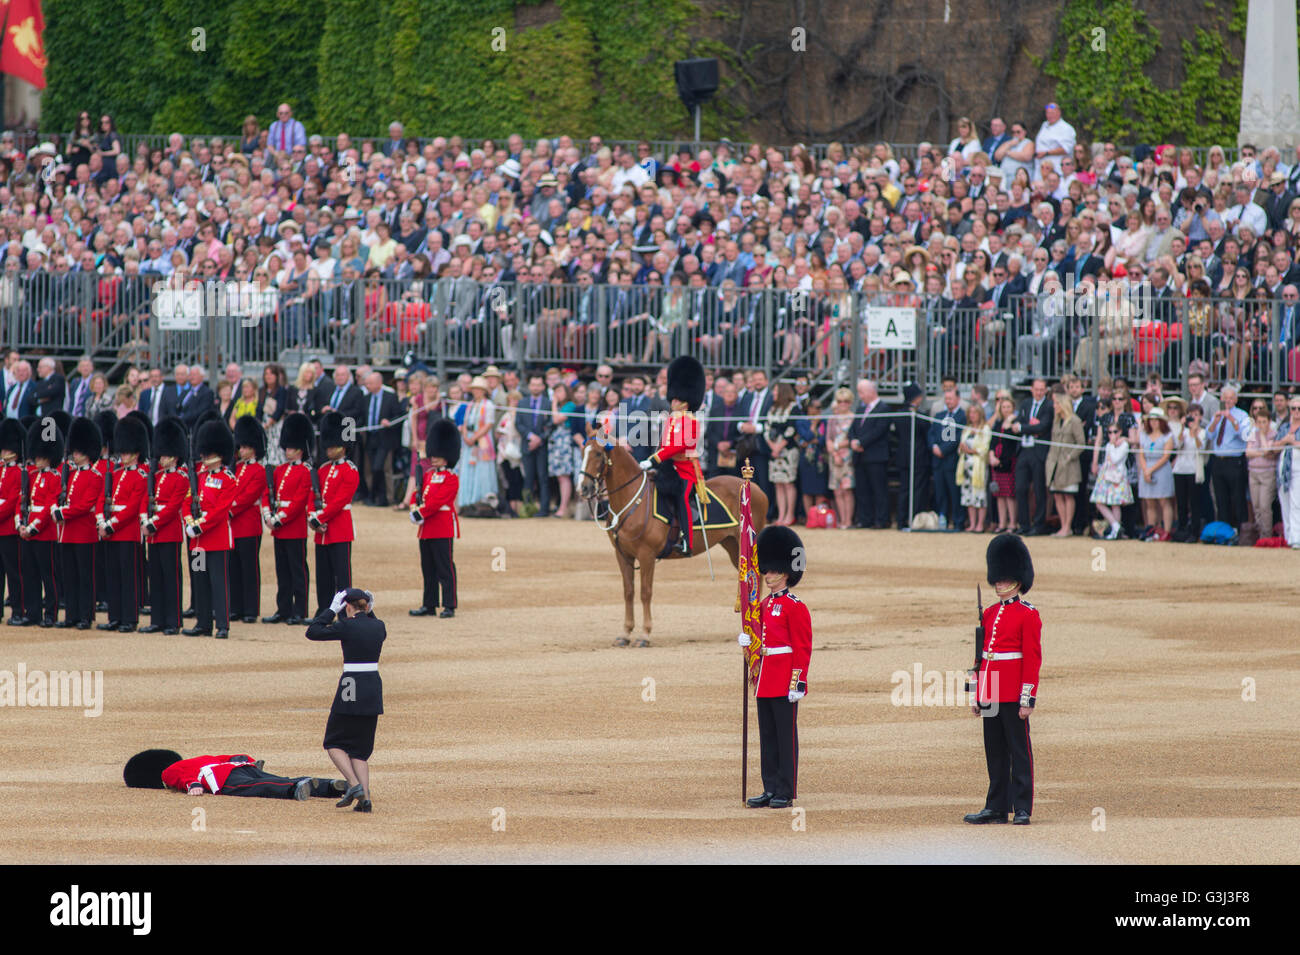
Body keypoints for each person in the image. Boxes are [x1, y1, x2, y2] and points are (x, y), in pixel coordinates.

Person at [964, 534, 1041, 826]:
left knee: (1019, 750)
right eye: (997, 577)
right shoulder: (990, 613)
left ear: (1018, 580)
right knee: (994, 750)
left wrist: (1027, 697)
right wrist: (976, 694)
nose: (999, 583)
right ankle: (996, 806)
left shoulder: (1028, 615)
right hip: (992, 689)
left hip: (1012, 690)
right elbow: (981, 658)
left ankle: (1022, 807)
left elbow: (1032, 660)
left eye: (1005, 578)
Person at [743, 524, 811, 810]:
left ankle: (786, 788)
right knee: (768, 737)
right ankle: (769, 787)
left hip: (784, 678)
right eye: (766, 571)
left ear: (785, 572)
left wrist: (798, 682)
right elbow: (760, 639)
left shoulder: (796, 607)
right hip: (766, 677)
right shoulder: (762, 604)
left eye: (772, 571)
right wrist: (748, 642)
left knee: (785, 737)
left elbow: (802, 648)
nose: (767, 575)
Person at [307, 587, 386, 813]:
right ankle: (366, 799)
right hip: (372, 688)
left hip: (350, 686)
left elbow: (313, 631)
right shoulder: (379, 626)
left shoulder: (347, 625)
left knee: (333, 741)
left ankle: (354, 785)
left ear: (347, 607)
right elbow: (371, 620)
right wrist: (369, 609)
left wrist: (331, 609)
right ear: (367, 606)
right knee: (360, 750)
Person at [640, 355, 705, 556]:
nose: (672, 401)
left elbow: (678, 446)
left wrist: (654, 459)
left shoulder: (692, 422)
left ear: (685, 403)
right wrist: (656, 462)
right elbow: (664, 444)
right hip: (667, 467)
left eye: (676, 399)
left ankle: (687, 541)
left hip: (685, 470)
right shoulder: (670, 420)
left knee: (682, 498)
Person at [182, 420, 237, 639]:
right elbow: (188, 501)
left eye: (209, 453)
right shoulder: (199, 476)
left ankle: (222, 625)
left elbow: (220, 511)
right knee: (200, 581)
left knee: (218, 582)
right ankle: (203, 623)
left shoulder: (228, 479)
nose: (204, 458)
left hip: (217, 539)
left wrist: (199, 526)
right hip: (198, 541)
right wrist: (189, 521)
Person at [123, 749, 344, 801]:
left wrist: (191, 785)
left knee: (259, 787)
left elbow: (177, 778)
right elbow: (223, 756)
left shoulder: (169, 771)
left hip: (221, 779)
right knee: (278, 777)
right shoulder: (199, 758)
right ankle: (329, 786)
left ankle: (293, 790)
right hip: (237, 765)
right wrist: (245, 759)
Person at [97, 415, 149, 632]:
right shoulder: (115, 474)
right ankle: (115, 617)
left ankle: (129, 618)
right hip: (110, 531)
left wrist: (111, 524)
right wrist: (101, 520)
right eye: (122, 451)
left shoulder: (141, 476)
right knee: (113, 575)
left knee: (128, 577)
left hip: (127, 532)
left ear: (136, 453)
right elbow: (102, 498)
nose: (123, 455)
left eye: (127, 452)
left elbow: (132, 507)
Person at [52, 417, 103, 630]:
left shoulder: (95, 476)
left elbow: (85, 505)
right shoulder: (70, 474)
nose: (75, 454)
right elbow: (60, 495)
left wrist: (62, 512)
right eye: (74, 450)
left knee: (85, 577)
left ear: (88, 452)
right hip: (68, 533)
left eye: (79, 451)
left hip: (84, 533)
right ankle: (72, 615)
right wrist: (56, 506)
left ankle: (85, 616)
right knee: (70, 576)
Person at [263, 412, 313, 625]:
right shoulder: (280, 470)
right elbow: (268, 493)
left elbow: (300, 501)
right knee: (281, 570)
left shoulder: (306, 471)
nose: (286, 451)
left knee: (297, 570)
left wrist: (279, 518)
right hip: (279, 526)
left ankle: (299, 610)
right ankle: (283, 608)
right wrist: (267, 513)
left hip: (294, 527)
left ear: (300, 449)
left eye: (290, 448)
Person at [140, 418, 189, 635]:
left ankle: (174, 620)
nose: (162, 459)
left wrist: (153, 523)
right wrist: (145, 519)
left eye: (166, 456)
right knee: (156, 577)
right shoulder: (156, 477)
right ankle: (157, 619)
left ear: (175, 457)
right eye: (161, 455)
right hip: (153, 533)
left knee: (171, 578)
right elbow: (145, 499)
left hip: (169, 533)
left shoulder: (181, 478)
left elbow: (172, 507)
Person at [410, 418, 460, 618]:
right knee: (427, 567)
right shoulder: (429, 475)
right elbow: (418, 493)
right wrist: (414, 505)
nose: (434, 458)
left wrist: (420, 512)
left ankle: (449, 604)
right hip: (426, 527)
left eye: (439, 455)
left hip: (441, 527)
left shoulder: (451, 478)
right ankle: (429, 604)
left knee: (444, 567)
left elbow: (439, 501)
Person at [311, 412, 360, 615]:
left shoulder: (350, 470)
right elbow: (312, 495)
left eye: (332, 446)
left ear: (342, 447)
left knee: (342, 574)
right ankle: (324, 610)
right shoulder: (322, 470)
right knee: (323, 574)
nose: (329, 450)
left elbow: (340, 501)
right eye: (328, 446)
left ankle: (344, 610)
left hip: (339, 527)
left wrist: (319, 517)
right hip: (321, 531)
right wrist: (313, 517)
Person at [228, 416, 268, 625]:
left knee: (249, 568)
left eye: (245, 447)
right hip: (233, 525)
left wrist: (229, 508)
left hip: (248, 524)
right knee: (234, 567)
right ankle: (236, 607)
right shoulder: (237, 468)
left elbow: (248, 497)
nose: (241, 451)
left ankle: (251, 609)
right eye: (240, 447)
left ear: (254, 448)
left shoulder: (259, 471)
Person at [1012, 378, 1053, 535]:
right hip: (1024, 450)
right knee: (1021, 488)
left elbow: (1043, 426)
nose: (1039, 392)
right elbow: (1019, 423)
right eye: (1036, 389)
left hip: (1038, 452)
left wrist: (1024, 427)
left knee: (1039, 489)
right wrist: (1029, 427)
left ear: (1046, 390)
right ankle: (1024, 524)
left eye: (1042, 390)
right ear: (1031, 389)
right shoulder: (1026, 404)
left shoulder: (1049, 406)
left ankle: (1039, 524)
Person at [1045, 395, 1084, 537]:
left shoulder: (1075, 421)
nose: (1054, 406)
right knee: (1057, 495)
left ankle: (1068, 527)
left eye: (1056, 403)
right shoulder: (1056, 421)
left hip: (1069, 465)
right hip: (1055, 463)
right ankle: (1062, 526)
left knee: (1068, 495)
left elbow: (1081, 443)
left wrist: (1069, 456)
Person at [765, 383, 800, 526]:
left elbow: (791, 429)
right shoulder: (773, 408)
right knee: (778, 483)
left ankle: (789, 515)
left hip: (788, 451)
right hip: (774, 451)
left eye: (775, 390)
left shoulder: (793, 408)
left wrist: (779, 446)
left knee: (788, 483)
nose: (773, 393)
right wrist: (772, 446)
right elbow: (766, 428)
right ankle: (781, 515)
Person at [1091, 420, 1133, 539]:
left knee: (1115, 504)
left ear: (1120, 432)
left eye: (1115, 432)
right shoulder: (1109, 445)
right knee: (1099, 502)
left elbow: (1115, 459)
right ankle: (1115, 527)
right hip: (1107, 475)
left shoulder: (1124, 445)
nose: (1112, 435)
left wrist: (1113, 445)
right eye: (1109, 432)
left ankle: (1115, 530)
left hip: (1118, 477)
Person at [957, 402, 992, 533]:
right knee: (968, 495)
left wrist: (971, 450)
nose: (972, 415)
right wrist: (963, 449)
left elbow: (985, 448)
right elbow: (961, 445)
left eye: (975, 412)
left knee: (979, 494)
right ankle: (972, 523)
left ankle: (980, 524)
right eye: (970, 413)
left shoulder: (985, 429)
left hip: (979, 466)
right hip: (966, 465)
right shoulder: (967, 428)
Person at [0, 419, 22, 622]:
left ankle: (17, 609)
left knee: (13, 573)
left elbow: (13, 499)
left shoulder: (18, 472)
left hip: (8, 529)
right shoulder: (1, 469)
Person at [1245, 404, 1278, 536]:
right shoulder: (1253, 433)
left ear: (1269, 422)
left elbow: (1267, 451)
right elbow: (1248, 452)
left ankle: (1267, 534)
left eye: (1264, 422)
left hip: (1267, 473)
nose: (1261, 425)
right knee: (1256, 506)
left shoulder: (1274, 434)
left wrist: (1263, 437)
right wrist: (1262, 453)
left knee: (1265, 506)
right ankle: (1260, 533)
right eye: (1258, 422)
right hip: (1253, 472)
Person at [989, 395, 1019, 533]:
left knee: (1009, 495)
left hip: (1008, 462)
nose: (1006, 409)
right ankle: (1002, 523)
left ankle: (1012, 523)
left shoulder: (1015, 422)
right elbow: (993, 440)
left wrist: (1008, 424)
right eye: (1003, 407)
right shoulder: (997, 422)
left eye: (1008, 407)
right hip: (996, 462)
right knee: (999, 494)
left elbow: (1011, 442)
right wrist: (991, 455)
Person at [1275, 395, 1300, 547]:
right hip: (1284, 468)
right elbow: (1274, 445)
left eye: (1299, 409)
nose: (1296, 412)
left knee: (1297, 503)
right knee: (1285, 503)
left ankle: (1296, 537)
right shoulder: (1284, 427)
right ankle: (1289, 536)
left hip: (1298, 467)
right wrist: (1284, 441)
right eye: (1293, 409)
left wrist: (1293, 442)